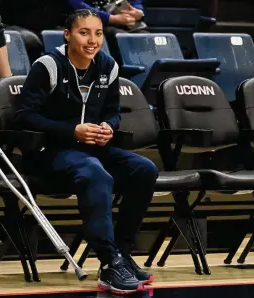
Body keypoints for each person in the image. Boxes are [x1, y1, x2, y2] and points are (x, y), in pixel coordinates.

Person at [14, 9, 158, 294]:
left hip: (92, 150)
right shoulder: (48, 65)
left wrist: (108, 127)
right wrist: (71, 130)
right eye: (84, 32)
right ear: (67, 35)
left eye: (98, 33)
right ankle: (108, 263)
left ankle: (122, 254)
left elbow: (114, 112)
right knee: (95, 174)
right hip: (50, 152)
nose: (92, 40)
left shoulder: (108, 66)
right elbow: (23, 117)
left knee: (144, 169)